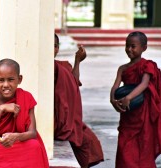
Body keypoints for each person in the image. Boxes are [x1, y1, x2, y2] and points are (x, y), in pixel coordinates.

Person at [0, 58, 49, 168]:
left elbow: (32, 133)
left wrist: (16, 137)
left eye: (11, 79)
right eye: (1, 80)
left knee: (34, 145)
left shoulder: (26, 97)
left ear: (19, 79)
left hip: (18, 142)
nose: (6, 85)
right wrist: (1, 109)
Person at [110, 31, 161, 168]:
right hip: (128, 115)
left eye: (133, 46)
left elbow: (144, 84)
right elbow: (115, 85)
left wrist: (129, 97)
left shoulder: (147, 65)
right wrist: (112, 99)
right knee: (124, 148)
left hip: (143, 116)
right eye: (127, 46)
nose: (129, 49)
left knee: (143, 151)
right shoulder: (122, 68)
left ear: (144, 48)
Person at [54, 34, 104, 168]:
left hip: (70, 118)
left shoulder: (63, 66)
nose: (51, 49)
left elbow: (74, 81)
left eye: (54, 46)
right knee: (82, 142)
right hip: (57, 119)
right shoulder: (50, 68)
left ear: (57, 49)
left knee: (90, 141)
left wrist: (77, 61)